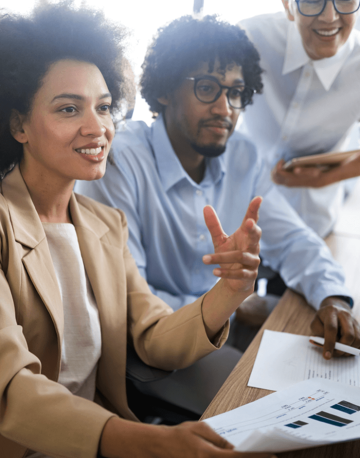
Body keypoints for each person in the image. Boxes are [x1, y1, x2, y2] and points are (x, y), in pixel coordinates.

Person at [0, 4, 276, 458]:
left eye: (105, 107)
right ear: (18, 124)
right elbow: (11, 388)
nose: (98, 128)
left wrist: (228, 292)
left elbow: (153, 336)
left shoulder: (106, 225)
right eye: (69, 108)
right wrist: (149, 440)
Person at [76, 15, 360, 360]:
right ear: (165, 90)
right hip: (153, 342)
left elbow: (294, 241)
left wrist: (333, 298)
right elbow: (129, 298)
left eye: (236, 93)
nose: (224, 109)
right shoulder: (120, 162)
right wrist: (232, 305)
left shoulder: (243, 156)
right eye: (207, 88)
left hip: (221, 317)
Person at [239, 0, 360, 238]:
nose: (329, 17)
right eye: (313, 0)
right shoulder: (249, 38)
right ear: (287, 5)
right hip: (234, 211)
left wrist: (328, 177)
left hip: (310, 222)